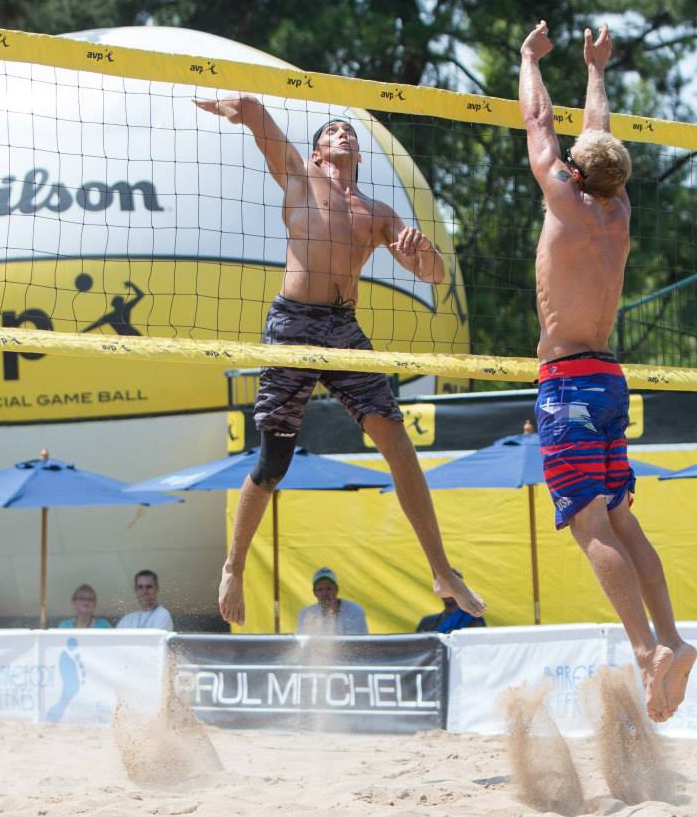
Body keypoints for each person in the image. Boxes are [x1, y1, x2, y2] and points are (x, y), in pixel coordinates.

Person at [193, 95, 485, 628]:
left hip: (343, 329)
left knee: (398, 442)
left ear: (358, 156)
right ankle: (233, 567)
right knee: (274, 462)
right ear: (318, 152)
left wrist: (422, 250)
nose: (343, 133)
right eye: (331, 131)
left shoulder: (377, 213)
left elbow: (434, 275)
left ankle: (442, 571)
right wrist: (232, 103)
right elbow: (258, 117)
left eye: (348, 131)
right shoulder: (300, 178)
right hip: (293, 326)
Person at [520, 19, 696, 724]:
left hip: (566, 383)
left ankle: (647, 651)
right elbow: (597, 139)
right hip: (608, 380)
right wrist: (595, 71)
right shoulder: (616, 209)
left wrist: (531, 59)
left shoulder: (565, 200)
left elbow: (539, 123)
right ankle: (673, 638)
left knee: (590, 523)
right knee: (622, 517)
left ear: (576, 171)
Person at [296, 567, 368, 635]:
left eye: (329, 588)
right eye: (320, 589)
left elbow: (359, 641)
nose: (325, 594)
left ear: (336, 590)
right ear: (314, 593)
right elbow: (303, 641)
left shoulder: (354, 610)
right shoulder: (306, 614)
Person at [416, 568, 487, 632]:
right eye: (443, 585)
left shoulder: (472, 619)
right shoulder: (426, 622)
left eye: (453, 586)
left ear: (462, 588)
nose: (448, 590)